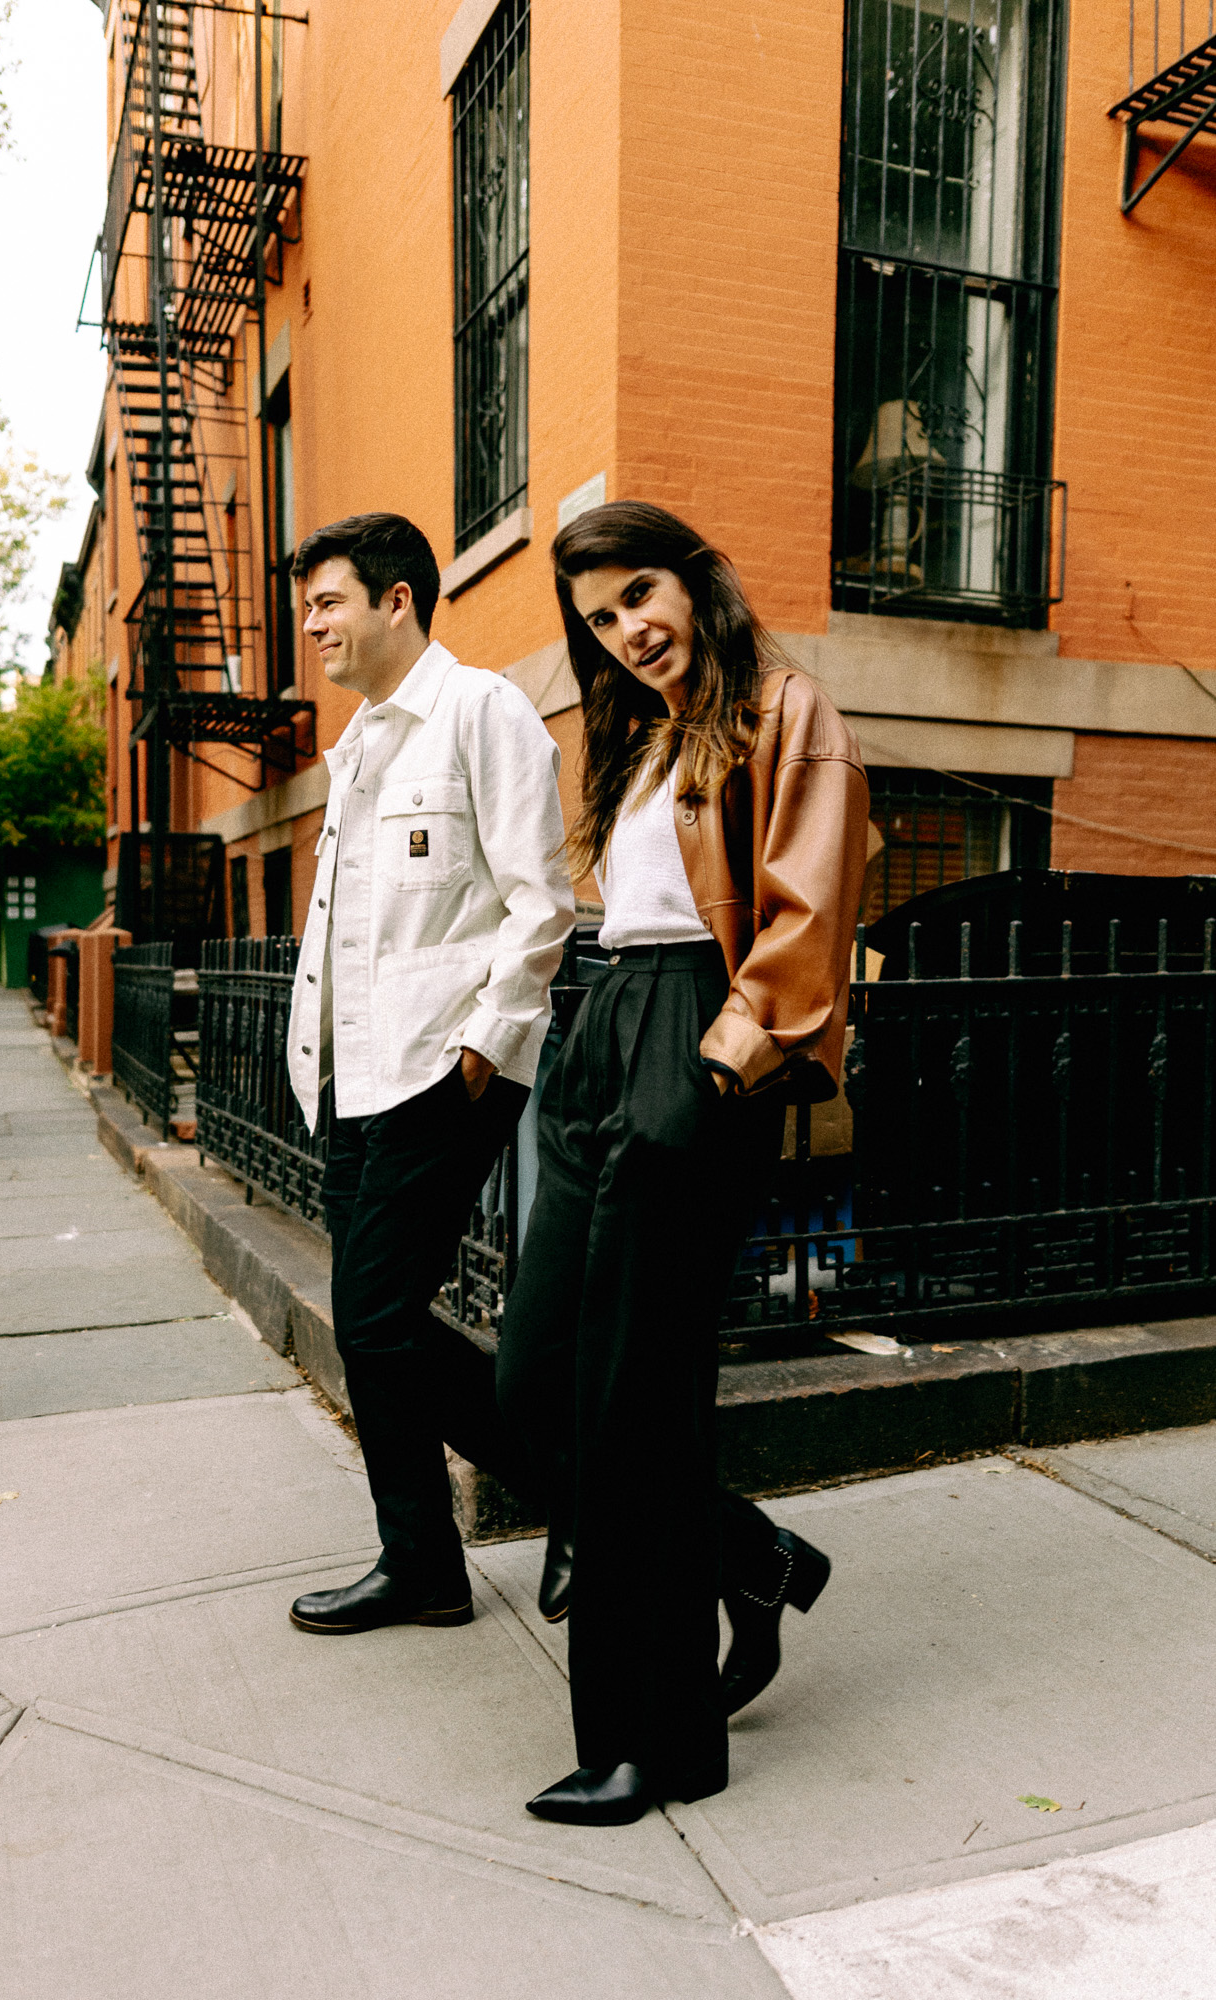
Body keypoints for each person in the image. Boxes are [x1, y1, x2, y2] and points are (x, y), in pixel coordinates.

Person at [497, 501, 870, 1826]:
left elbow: (810, 911)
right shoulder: (637, 736)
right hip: (608, 1028)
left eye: (640, 594)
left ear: (696, 578)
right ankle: (747, 1555)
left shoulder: (786, 710)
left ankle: (656, 1741)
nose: (627, 630)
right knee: (533, 1383)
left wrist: (718, 1069)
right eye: (599, 618)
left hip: (697, 1040)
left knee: (634, 1412)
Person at [284, 513, 575, 1636]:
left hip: (440, 1070)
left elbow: (539, 898)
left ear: (397, 599)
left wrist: (486, 1041)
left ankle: (604, 1500)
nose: (312, 623)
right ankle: (422, 1563)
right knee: (373, 1326)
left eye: (328, 602)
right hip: (355, 1078)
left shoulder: (481, 710)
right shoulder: (359, 743)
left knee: (379, 1318)